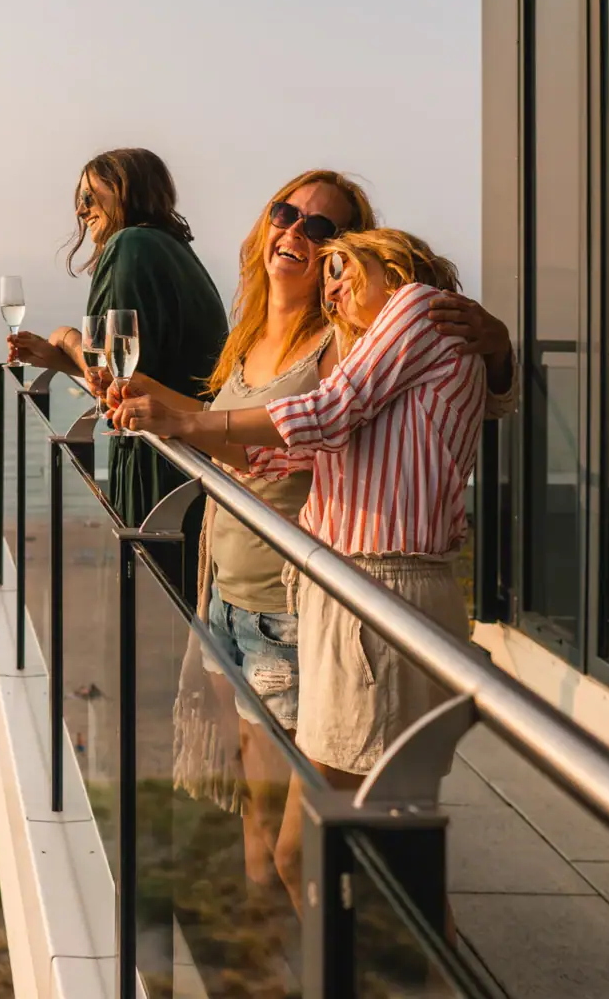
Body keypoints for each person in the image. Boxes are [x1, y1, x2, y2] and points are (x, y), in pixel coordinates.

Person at [114, 228, 502, 923]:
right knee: (393, 848)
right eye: (326, 278)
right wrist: (166, 419)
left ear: (395, 262)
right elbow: (281, 457)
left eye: (344, 264)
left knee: (311, 850)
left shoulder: (417, 309)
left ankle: (374, 975)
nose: (332, 284)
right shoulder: (383, 358)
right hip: (348, 599)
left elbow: (324, 413)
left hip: (380, 596)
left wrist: (187, 417)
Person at [9, 148, 228, 591]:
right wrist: (59, 360)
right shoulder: (173, 251)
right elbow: (136, 371)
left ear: (128, 191)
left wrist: (68, 337)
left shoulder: (132, 245)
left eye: (91, 196)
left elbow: (114, 381)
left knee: (153, 603)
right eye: (79, 197)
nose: (81, 208)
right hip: (191, 465)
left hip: (159, 468)